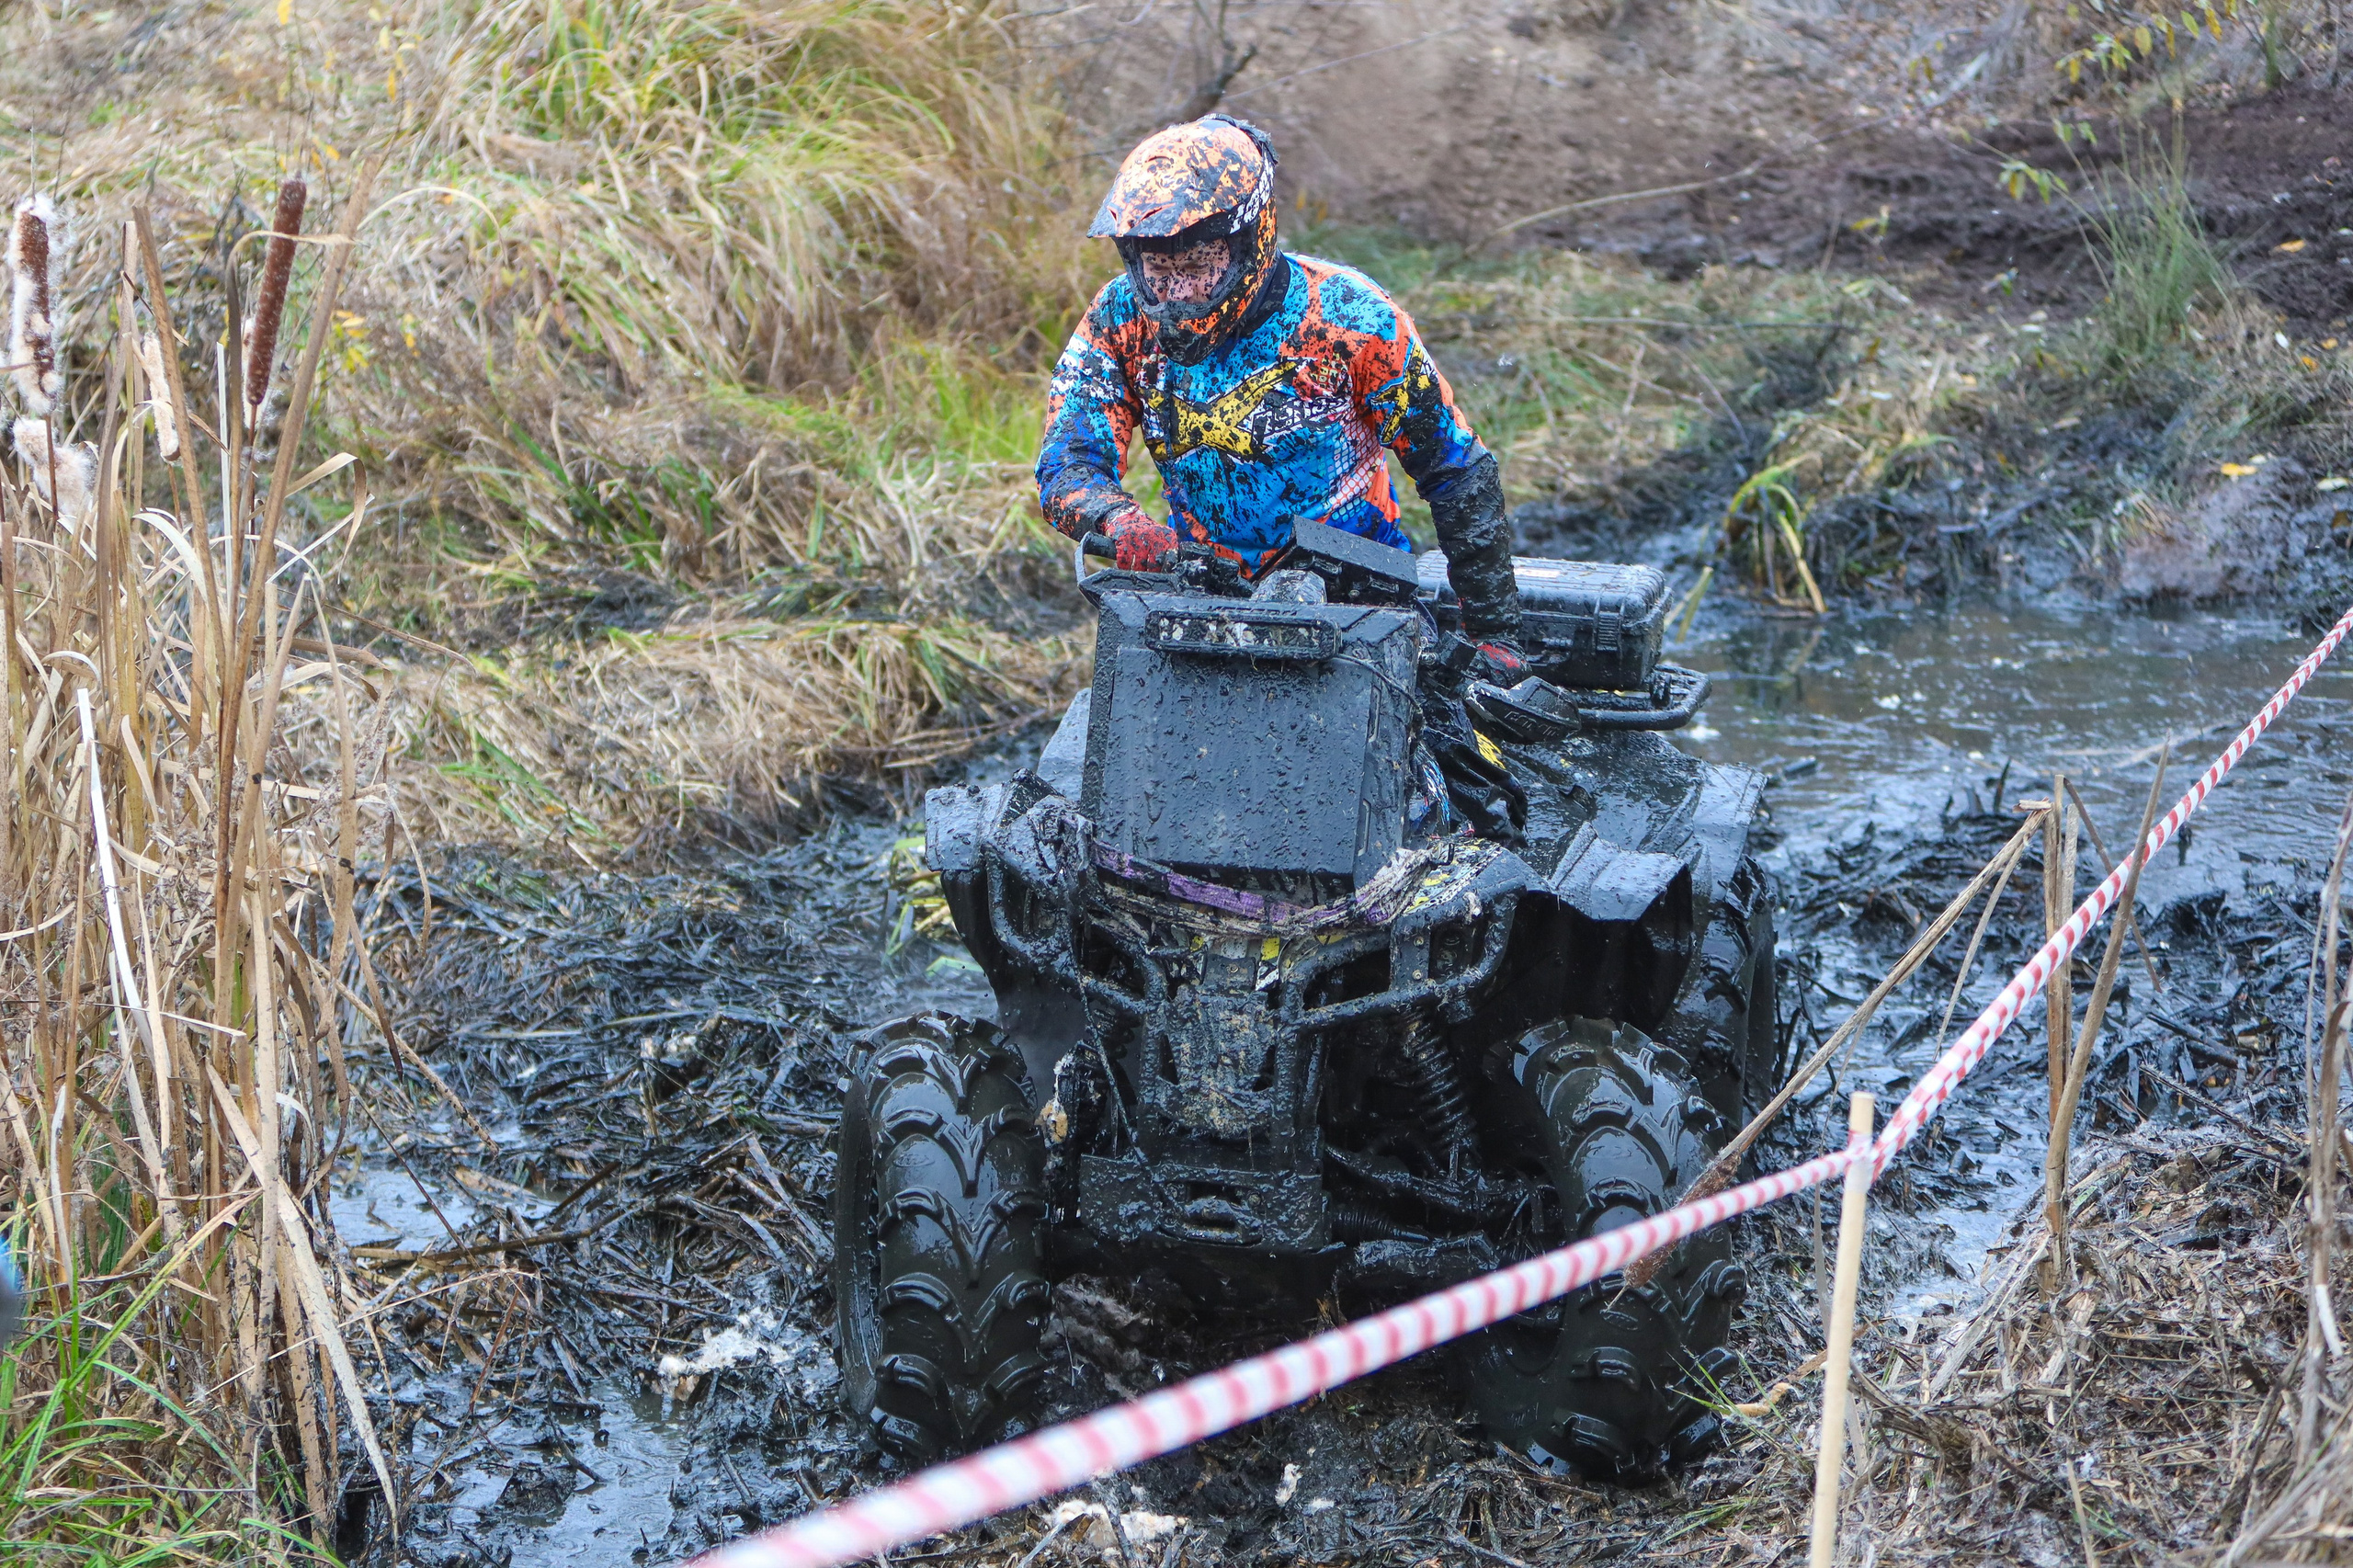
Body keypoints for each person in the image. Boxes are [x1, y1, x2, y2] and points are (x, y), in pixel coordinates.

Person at [1035, 113, 1525, 667]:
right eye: (1157, 269)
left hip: (1360, 602)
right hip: (1201, 596)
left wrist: (1494, 636)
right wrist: (1117, 520)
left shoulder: (1349, 317)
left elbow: (1455, 469)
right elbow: (1069, 461)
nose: (1177, 292)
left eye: (1198, 265)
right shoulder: (1119, 315)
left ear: (1251, 238)